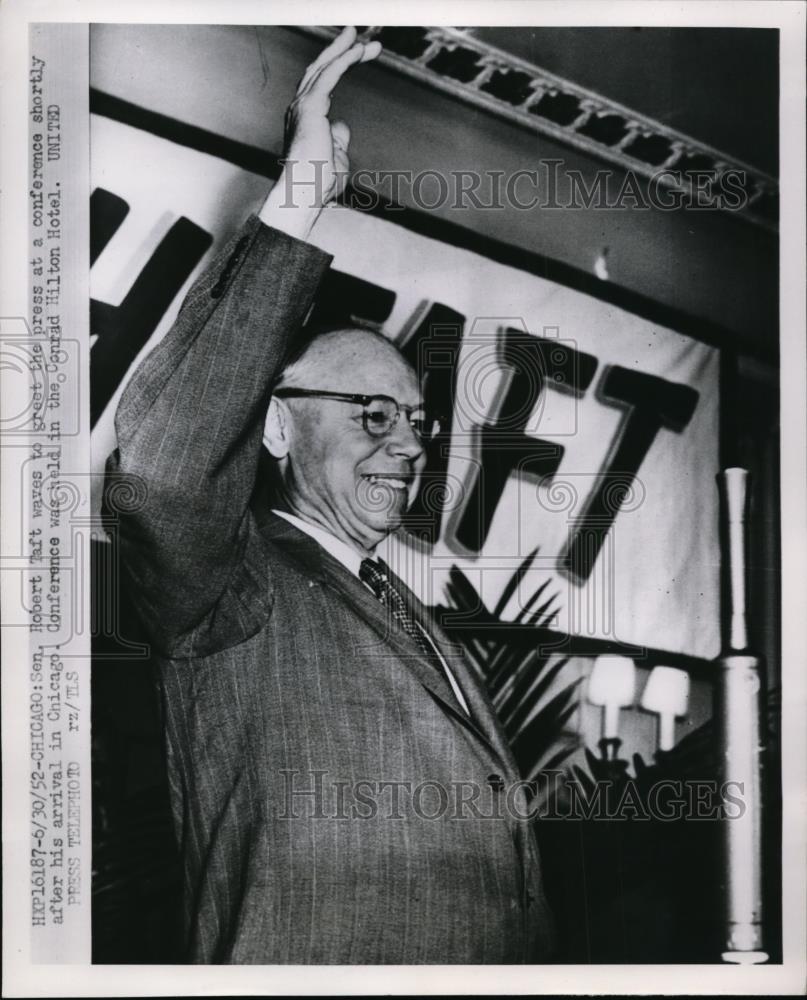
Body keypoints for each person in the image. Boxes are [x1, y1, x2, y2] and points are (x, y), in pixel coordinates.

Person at [107, 27, 554, 964]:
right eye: (370, 415)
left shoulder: (392, 599)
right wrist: (301, 197)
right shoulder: (229, 585)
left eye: (417, 420)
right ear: (275, 427)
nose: (407, 445)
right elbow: (160, 471)